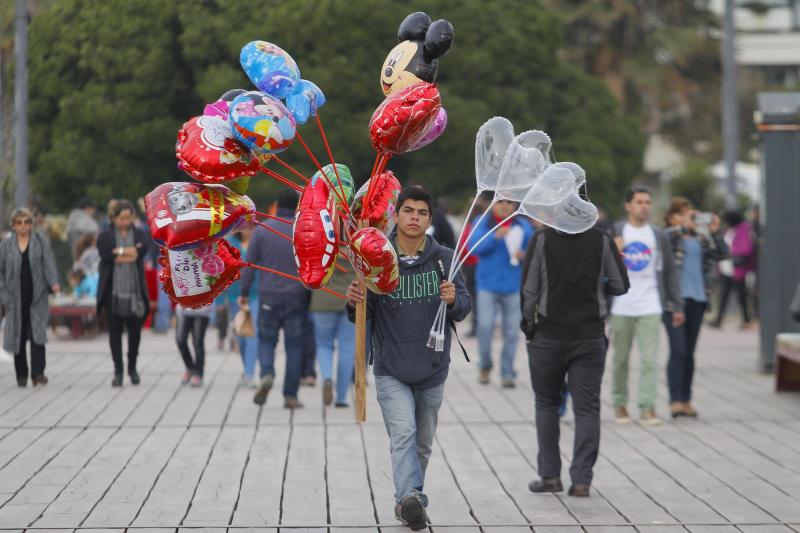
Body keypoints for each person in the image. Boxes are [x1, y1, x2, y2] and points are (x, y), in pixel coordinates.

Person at [345, 187, 471, 530]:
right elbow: (362, 313)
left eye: (422, 212)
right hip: (391, 367)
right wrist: (355, 298)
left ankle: (409, 499)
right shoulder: (377, 259)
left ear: (430, 220)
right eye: (408, 210)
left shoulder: (445, 258)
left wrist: (452, 299)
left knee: (423, 443)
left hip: (432, 368)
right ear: (396, 215)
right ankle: (409, 499)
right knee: (403, 434)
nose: (414, 217)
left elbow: (463, 307)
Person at [521, 220, 629, 498]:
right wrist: (596, 275)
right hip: (590, 336)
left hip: (548, 336)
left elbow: (529, 292)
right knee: (587, 409)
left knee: (546, 404)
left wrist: (529, 327)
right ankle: (581, 481)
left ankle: (549, 476)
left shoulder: (542, 238)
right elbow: (620, 285)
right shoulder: (602, 239)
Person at [609, 186, 683, 426]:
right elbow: (601, 267)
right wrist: (612, 250)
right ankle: (620, 404)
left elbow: (670, 271)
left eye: (648, 202)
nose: (644, 206)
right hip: (622, 305)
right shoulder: (618, 231)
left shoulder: (657, 235)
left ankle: (647, 407)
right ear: (628, 206)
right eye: (639, 202)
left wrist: (677, 304)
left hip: (651, 303)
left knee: (650, 360)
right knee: (620, 359)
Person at [238, 189, 309, 409]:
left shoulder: (263, 230)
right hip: (296, 297)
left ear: (277, 205)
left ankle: (267, 373)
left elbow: (249, 265)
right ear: (297, 205)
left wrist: (244, 292)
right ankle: (290, 395)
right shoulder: (302, 231)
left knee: (267, 341)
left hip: (268, 296)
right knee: (295, 347)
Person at [663, 198, 727, 418]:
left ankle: (686, 399)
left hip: (698, 299)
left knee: (689, 353)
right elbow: (665, 241)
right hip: (674, 302)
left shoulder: (701, 239)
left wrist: (715, 231)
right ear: (672, 218)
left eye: (691, 215)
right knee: (678, 349)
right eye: (681, 214)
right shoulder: (669, 237)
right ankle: (674, 400)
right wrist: (683, 226)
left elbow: (723, 254)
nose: (688, 219)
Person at [466, 199, 533, 387]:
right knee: (485, 327)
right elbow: (474, 248)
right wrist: (495, 236)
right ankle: (485, 365)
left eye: (510, 203)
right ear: (493, 204)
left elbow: (534, 253)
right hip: (487, 285)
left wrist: (524, 255)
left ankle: (507, 372)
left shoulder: (523, 226)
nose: (505, 206)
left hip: (513, 287)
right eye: (501, 202)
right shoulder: (482, 221)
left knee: (511, 333)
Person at [0, 207, 60, 387]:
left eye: (26, 222)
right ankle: (21, 374)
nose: (23, 226)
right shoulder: (5, 246)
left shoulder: (39, 242)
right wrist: (3, 294)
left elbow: (48, 263)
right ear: (13, 225)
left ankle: (38, 372)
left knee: (38, 334)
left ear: (31, 224)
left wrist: (54, 282)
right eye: (19, 222)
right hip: (14, 297)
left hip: (37, 295)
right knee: (18, 335)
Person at [96, 200, 150, 387]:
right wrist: (127, 252)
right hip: (113, 291)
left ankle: (132, 367)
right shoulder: (105, 235)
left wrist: (120, 253)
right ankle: (118, 370)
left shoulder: (140, 233)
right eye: (122, 218)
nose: (126, 221)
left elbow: (140, 253)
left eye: (129, 218)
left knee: (135, 331)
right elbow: (107, 256)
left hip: (135, 290)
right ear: (113, 218)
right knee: (115, 332)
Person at [311, 262, 356, 407]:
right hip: (350, 300)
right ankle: (341, 397)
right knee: (347, 349)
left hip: (322, 299)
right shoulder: (355, 248)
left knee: (324, 345)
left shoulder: (323, 244)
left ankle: (327, 377)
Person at [711, 210, 755, 329]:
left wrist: (732, 252)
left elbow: (746, 248)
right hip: (726, 269)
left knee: (742, 297)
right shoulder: (730, 230)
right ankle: (718, 320)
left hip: (738, 270)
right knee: (723, 296)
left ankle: (746, 320)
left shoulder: (743, 229)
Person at [227, 228, 260, 387]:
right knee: (241, 333)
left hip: (256, 294)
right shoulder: (230, 243)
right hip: (234, 295)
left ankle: (249, 373)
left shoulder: (259, 242)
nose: (249, 228)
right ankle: (246, 367)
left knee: (253, 333)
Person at [175, 303, 212, 386]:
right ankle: (190, 367)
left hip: (202, 309)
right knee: (180, 340)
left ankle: (198, 373)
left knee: (198, 342)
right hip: (183, 308)